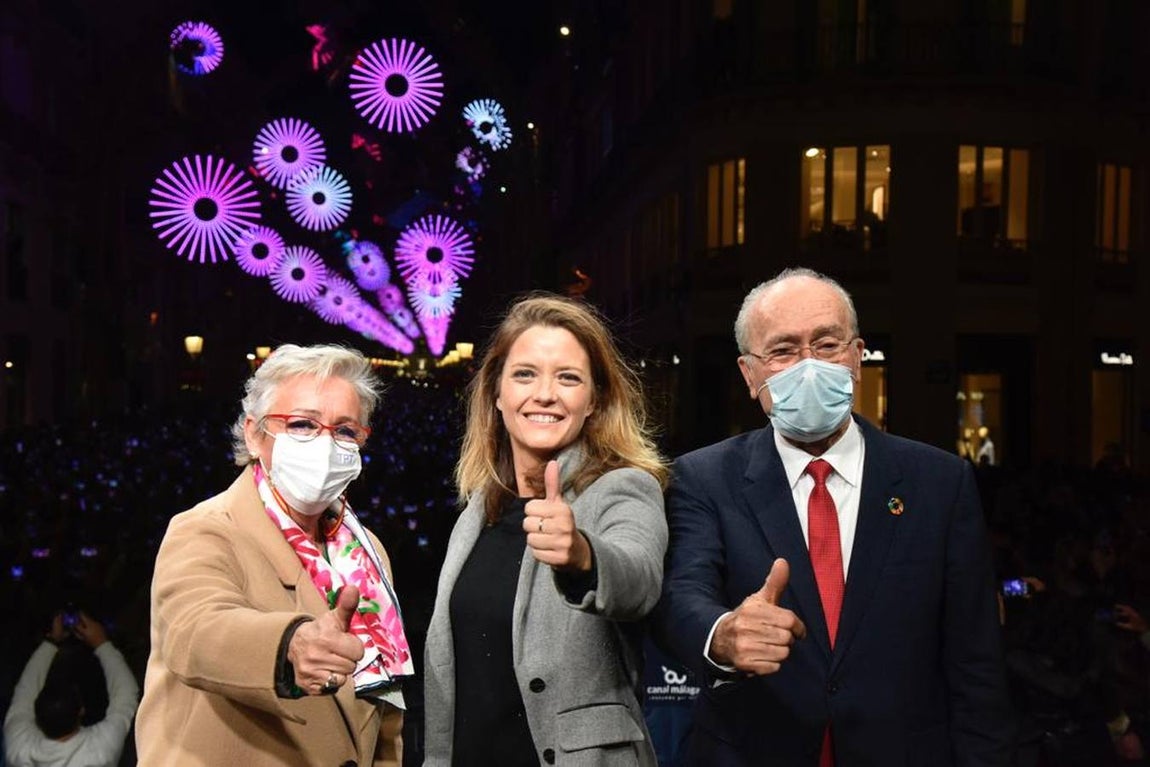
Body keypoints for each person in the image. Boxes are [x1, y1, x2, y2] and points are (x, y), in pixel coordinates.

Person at [653, 267, 1014, 766]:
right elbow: (682, 592)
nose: (808, 366)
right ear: (749, 373)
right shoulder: (703, 477)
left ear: (857, 357)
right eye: (782, 351)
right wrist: (724, 633)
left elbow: (976, 665)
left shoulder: (939, 483)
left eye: (826, 345)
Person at [135, 343, 412, 766]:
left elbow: (383, 711)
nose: (325, 443)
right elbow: (195, 630)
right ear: (254, 433)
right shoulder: (205, 528)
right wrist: (288, 646)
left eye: (344, 431)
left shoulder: (367, 551)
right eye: (302, 424)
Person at [423, 294, 670, 766]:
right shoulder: (478, 511)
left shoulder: (623, 489)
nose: (545, 394)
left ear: (594, 400)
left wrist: (583, 555)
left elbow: (637, 579)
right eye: (525, 374)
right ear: (496, 394)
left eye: (568, 378)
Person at [4, 611, 138, 767]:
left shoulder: (18, 749)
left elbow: (24, 691)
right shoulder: (100, 751)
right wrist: (101, 642)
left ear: (36, 716)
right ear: (81, 710)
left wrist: (51, 642)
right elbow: (126, 694)